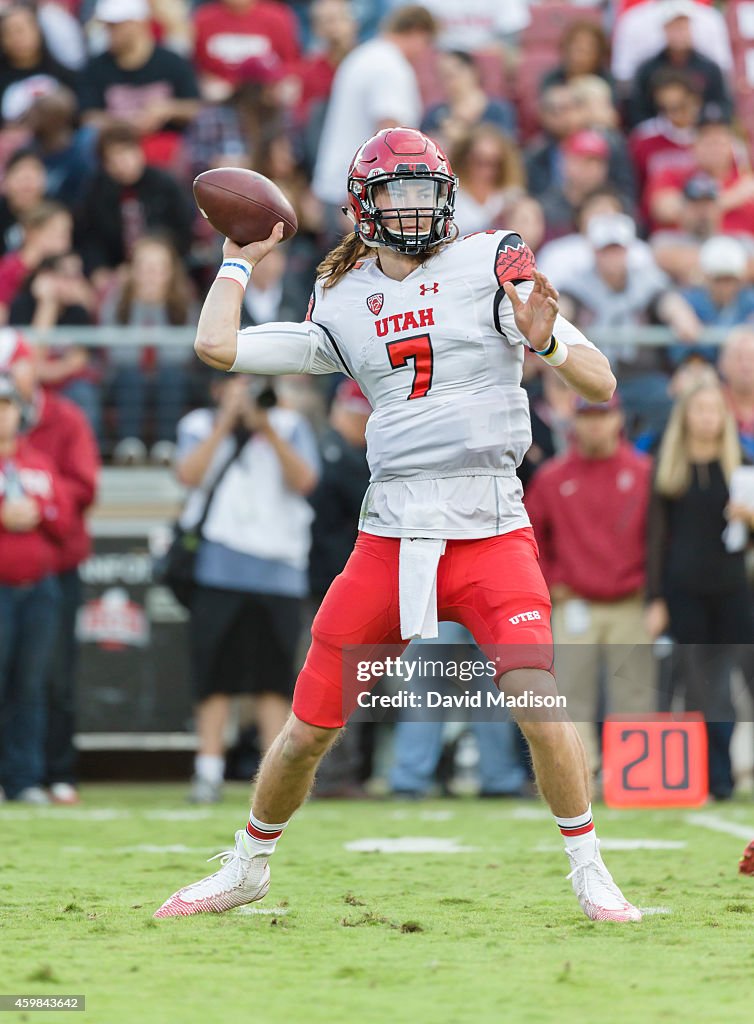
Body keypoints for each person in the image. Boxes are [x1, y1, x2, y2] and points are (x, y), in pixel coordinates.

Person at [154, 126, 642, 924]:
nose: (415, 207)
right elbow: (217, 345)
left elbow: (601, 380)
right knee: (309, 727)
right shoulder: (340, 299)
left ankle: (589, 868)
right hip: (392, 529)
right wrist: (240, 257)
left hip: (488, 520)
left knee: (537, 699)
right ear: (363, 207)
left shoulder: (494, 258)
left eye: (426, 190)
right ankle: (247, 865)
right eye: (398, 192)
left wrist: (545, 339)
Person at [174, 374, 320, 804]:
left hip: (280, 566)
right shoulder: (199, 425)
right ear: (218, 388)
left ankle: (275, 776)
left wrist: (268, 429)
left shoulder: (290, 425)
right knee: (214, 674)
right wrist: (226, 422)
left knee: (273, 679)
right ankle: (208, 771)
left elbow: (306, 481)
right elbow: (189, 475)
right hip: (219, 565)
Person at [525, 393, 655, 769]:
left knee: (635, 694)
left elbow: (661, 536)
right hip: (573, 602)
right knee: (570, 698)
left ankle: (635, 775)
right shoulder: (553, 477)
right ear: (576, 422)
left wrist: (652, 588)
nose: (595, 424)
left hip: (631, 601)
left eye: (602, 415)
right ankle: (581, 776)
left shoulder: (643, 472)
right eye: (587, 416)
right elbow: (531, 538)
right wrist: (549, 583)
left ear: (618, 420)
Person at [645, 379, 752, 800]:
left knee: (726, 687)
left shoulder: (740, 462)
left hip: (732, 592)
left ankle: (722, 779)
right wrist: (655, 598)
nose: (708, 417)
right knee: (692, 687)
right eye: (699, 409)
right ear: (686, 416)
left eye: (714, 410)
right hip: (684, 591)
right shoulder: (668, 466)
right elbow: (655, 538)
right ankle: (693, 777)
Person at [9, 337, 99, 806]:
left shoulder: (62, 423)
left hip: (51, 570)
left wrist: (39, 507)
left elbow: (79, 495)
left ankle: (50, 771)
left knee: (50, 675)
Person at [0, 373, 71, 804]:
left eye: (7, 406)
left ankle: (24, 778)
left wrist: (37, 511)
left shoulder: (38, 461)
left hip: (39, 590)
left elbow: (65, 520)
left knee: (31, 685)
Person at [311, 6, 434, 244]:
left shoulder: (365, 55)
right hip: (358, 197)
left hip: (341, 189)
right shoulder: (390, 66)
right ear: (418, 32)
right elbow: (389, 140)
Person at [99, 233, 197, 464]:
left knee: (171, 376)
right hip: (124, 378)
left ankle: (167, 445)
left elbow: (183, 354)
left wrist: (159, 309)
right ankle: (129, 444)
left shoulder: (184, 304)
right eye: (144, 267)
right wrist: (141, 307)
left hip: (170, 378)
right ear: (132, 270)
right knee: (131, 374)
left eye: (158, 268)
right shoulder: (116, 302)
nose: (151, 275)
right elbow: (116, 354)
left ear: (170, 272)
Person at [80, 0, 201, 153]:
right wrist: (124, 123)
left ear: (139, 24)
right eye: (108, 26)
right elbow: (88, 116)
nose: (109, 32)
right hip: (117, 148)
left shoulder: (172, 62)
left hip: (167, 144)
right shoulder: (97, 66)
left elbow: (196, 108)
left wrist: (167, 109)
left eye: (116, 25)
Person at [76, 123, 194, 279]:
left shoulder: (164, 184)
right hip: (116, 271)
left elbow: (183, 229)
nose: (122, 164)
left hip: (163, 268)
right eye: (113, 159)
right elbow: (89, 238)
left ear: (140, 152)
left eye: (126, 154)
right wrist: (98, 269)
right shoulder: (96, 192)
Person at [627, 1, 731, 129]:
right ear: (664, 29)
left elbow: (723, 106)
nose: (679, 32)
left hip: (700, 133)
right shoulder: (647, 70)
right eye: (673, 26)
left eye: (682, 25)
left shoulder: (710, 68)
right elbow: (638, 111)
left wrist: (700, 120)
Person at [420, 50, 517, 150]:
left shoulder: (498, 110)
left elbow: (507, 148)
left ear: (473, 71)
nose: (451, 82)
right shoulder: (434, 115)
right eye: (444, 76)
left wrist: (464, 137)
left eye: (454, 73)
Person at [449, 125, 524, 236]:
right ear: (464, 158)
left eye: (493, 162)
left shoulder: (511, 197)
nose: (485, 170)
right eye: (478, 160)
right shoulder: (450, 194)